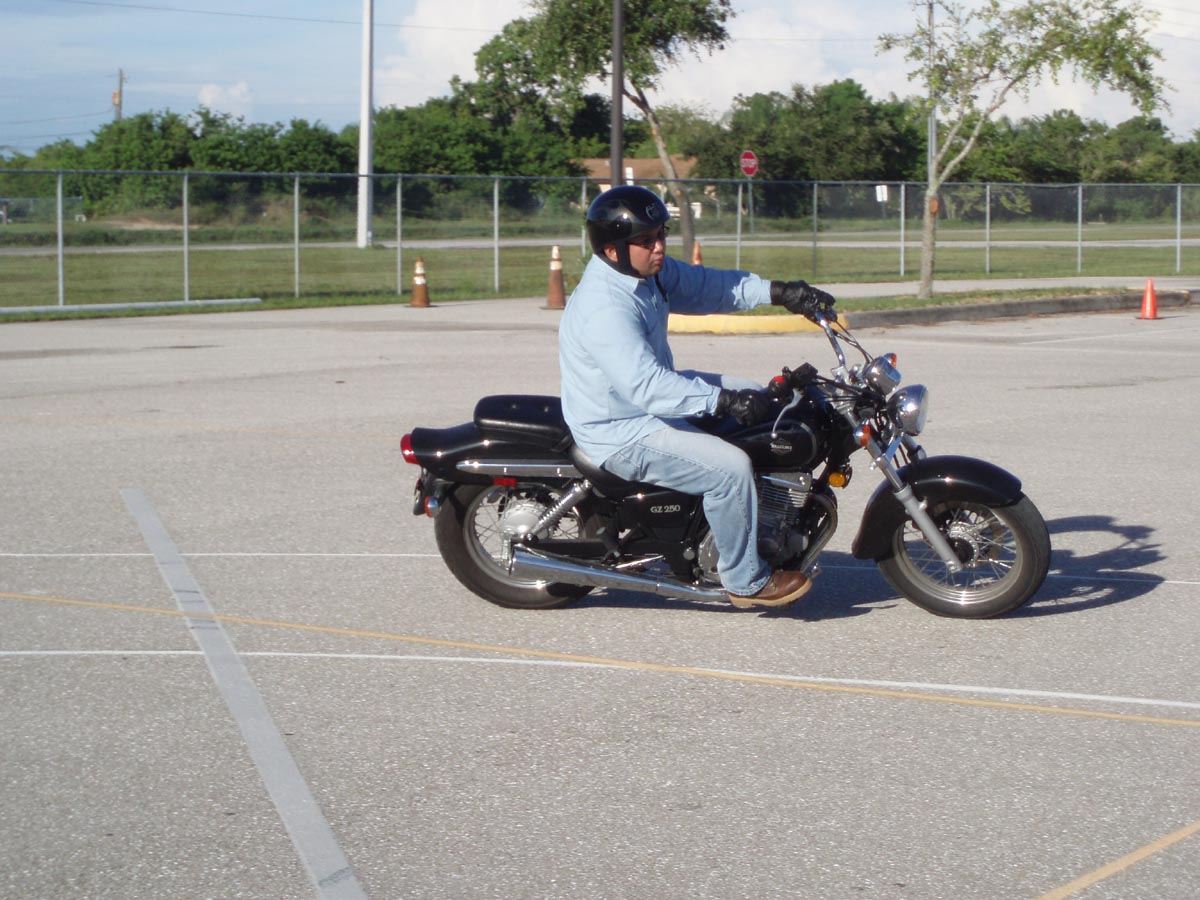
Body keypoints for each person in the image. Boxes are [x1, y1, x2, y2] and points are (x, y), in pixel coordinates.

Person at [558, 185, 835, 609]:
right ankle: (745, 580)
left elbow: (710, 287)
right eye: (646, 240)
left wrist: (781, 293)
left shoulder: (646, 273)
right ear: (612, 249)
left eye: (661, 235)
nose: (658, 247)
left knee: (762, 397)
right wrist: (723, 402)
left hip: (644, 403)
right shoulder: (605, 307)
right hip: (621, 428)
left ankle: (757, 519)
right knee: (730, 469)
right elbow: (648, 387)